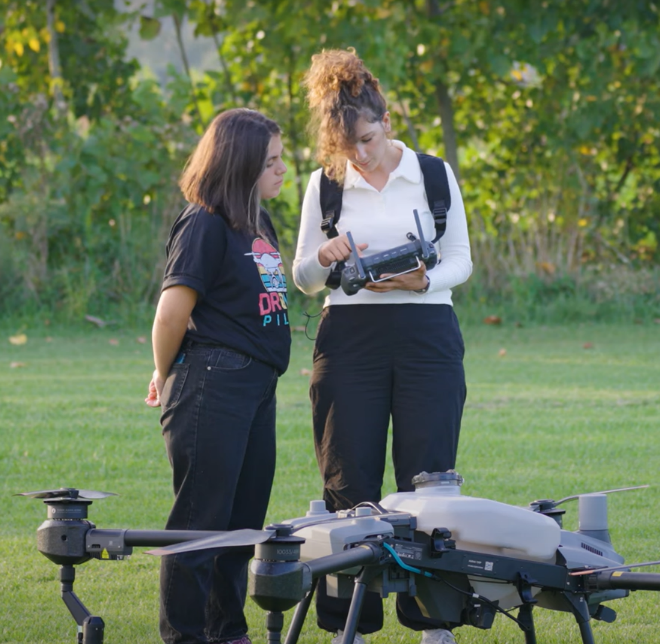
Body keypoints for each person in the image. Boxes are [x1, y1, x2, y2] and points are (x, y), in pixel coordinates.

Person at [292, 49, 472, 644]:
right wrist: (325, 255)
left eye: (367, 139)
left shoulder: (435, 175)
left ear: (386, 121)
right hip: (348, 340)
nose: (360, 155)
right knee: (349, 480)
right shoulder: (324, 185)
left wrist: (423, 280)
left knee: (430, 479)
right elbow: (302, 276)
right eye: (347, 148)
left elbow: (461, 261)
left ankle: (434, 625)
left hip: (427, 334)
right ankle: (353, 627)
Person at [145, 108, 290, 644]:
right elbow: (171, 313)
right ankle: (185, 636)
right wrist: (167, 374)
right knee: (200, 521)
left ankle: (227, 632)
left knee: (242, 523)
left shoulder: (256, 221)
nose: (282, 170)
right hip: (212, 382)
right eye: (271, 161)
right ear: (240, 165)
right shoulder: (204, 220)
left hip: (255, 386)